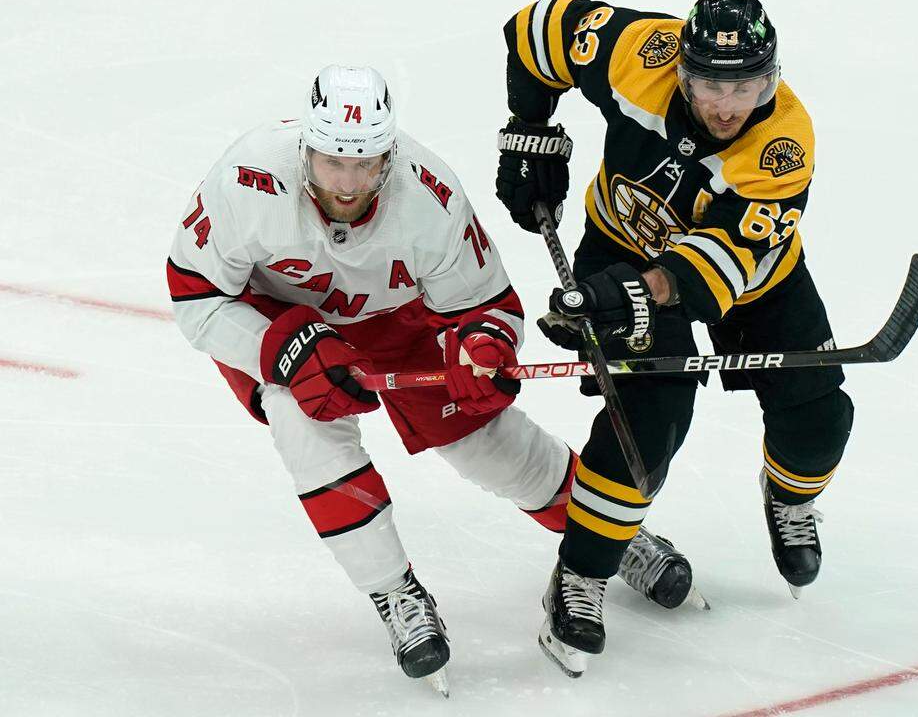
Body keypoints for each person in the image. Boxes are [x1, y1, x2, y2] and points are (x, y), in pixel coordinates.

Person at [167, 64, 698, 695]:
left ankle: (611, 535)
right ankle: (396, 595)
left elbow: (487, 306)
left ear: (390, 152)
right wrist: (281, 351)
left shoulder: (428, 195)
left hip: (397, 318)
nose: (349, 181)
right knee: (307, 433)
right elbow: (194, 297)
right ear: (306, 146)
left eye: (366, 163)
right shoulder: (245, 179)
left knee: (486, 443)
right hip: (281, 325)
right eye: (334, 160)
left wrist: (483, 346)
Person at [495, 0, 855, 675]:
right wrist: (528, 126)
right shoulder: (639, 54)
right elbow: (537, 27)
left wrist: (636, 292)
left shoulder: (781, 148)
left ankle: (791, 494)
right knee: (649, 422)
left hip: (756, 278)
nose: (727, 105)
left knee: (818, 418)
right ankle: (580, 575)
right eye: (712, 85)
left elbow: (718, 261)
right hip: (621, 246)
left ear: (770, 78)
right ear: (684, 73)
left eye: (745, 86)